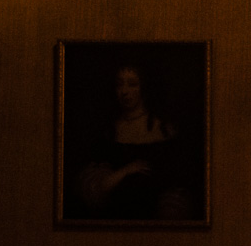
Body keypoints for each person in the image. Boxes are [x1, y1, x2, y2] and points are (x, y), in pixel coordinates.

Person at [76, 65, 192, 220]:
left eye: (132, 84)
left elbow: (178, 189)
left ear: (144, 88)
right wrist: (126, 170)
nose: (124, 92)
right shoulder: (108, 134)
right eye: (119, 84)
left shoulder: (165, 131)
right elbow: (93, 191)